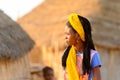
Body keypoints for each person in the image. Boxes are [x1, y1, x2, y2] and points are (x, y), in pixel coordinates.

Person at [62, 13, 102, 80]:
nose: (65, 37)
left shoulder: (93, 55)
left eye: (68, 34)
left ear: (78, 36)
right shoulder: (67, 55)